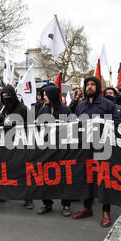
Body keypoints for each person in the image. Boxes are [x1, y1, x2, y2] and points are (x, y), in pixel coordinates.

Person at [73, 76, 119, 227]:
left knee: (104, 179)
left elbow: (116, 125)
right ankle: (87, 207)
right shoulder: (80, 105)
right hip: (85, 148)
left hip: (103, 147)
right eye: (87, 84)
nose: (89, 87)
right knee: (87, 177)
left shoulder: (107, 105)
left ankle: (106, 212)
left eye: (93, 84)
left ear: (97, 87)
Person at [36, 84, 73, 217]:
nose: (43, 96)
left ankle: (66, 204)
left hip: (62, 149)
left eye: (46, 94)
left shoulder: (65, 110)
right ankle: (47, 203)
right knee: (46, 176)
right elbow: (38, 130)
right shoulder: (42, 110)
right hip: (47, 148)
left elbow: (71, 129)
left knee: (65, 176)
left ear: (51, 95)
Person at [0, 84, 33, 209]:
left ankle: (28, 199)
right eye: (3, 96)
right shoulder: (4, 109)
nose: (6, 99)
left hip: (21, 144)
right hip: (7, 143)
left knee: (23, 171)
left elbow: (30, 127)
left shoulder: (22, 108)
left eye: (8, 96)